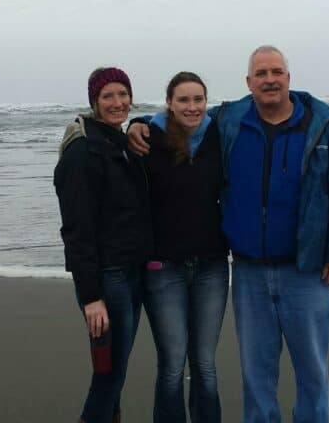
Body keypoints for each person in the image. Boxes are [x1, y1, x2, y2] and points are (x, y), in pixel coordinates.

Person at [129, 46, 329, 423]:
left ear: (289, 78)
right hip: (247, 274)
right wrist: (138, 123)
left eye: (276, 71)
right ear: (248, 82)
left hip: (305, 273)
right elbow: (183, 119)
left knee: (312, 375)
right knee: (256, 379)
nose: (269, 79)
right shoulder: (231, 121)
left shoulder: (323, 129)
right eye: (261, 73)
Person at [55, 66, 151, 423]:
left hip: (130, 273)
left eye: (123, 94)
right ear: (94, 101)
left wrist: (141, 121)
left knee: (117, 370)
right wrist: (92, 296)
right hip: (106, 281)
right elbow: (76, 230)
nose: (117, 102)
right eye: (108, 96)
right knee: (108, 372)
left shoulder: (120, 142)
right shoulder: (83, 150)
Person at [140, 71, 229, 423]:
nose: (192, 107)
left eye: (198, 100)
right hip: (165, 269)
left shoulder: (221, 135)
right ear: (170, 104)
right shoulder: (150, 139)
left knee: (205, 364)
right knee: (173, 364)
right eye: (184, 100)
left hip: (212, 266)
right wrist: (136, 123)